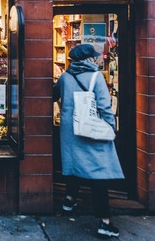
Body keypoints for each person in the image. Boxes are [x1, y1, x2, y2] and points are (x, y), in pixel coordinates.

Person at [52, 43, 123, 239]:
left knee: (76, 163)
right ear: (89, 59)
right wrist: (110, 127)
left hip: (70, 130)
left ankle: (68, 200)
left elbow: (53, 94)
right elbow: (104, 106)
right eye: (94, 56)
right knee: (97, 173)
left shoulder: (66, 77)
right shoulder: (96, 77)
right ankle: (105, 221)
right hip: (91, 129)